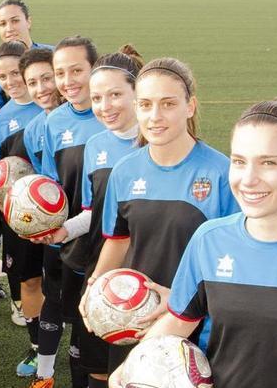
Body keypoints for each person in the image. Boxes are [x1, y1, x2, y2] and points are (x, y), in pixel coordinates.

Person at [109, 97, 277, 388]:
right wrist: (129, 367)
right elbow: (180, 322)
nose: (248, 179)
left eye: (268, 163)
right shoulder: (209, 240)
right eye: (239, 162)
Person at [83, 57, 241, 372]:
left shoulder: (223, 174)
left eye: (168, 104)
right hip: (136, 317)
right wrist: (95, 286)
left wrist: (182, 299)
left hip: (199, 324)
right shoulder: (125, 171)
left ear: (190, 106)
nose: (155, 117)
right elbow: (119, 240)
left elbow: (238, 263)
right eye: (145, 105)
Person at [32, 48, 145, 388]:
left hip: (146, 272)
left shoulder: (155, 143)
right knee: (95, 366)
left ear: (137, 93)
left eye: (115, 95)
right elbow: (93, 213)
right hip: (100, 270)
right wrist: (62, 231)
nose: (105, 106)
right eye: (98, 98)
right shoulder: (96, 146)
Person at [0, 41, 45, 375]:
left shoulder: (52, 107)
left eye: (15, 72)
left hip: (65, 216)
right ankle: (38, 348)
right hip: (22, 219)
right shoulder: (2, 120)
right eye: (2, 76)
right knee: (29, 282)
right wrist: (4, 199)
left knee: (66, 282)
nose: (10, 81)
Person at [0, 0, 54, 108]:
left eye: (15, 21)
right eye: (2, 24)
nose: (9, 29)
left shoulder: (53, 55)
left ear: (28, 22)